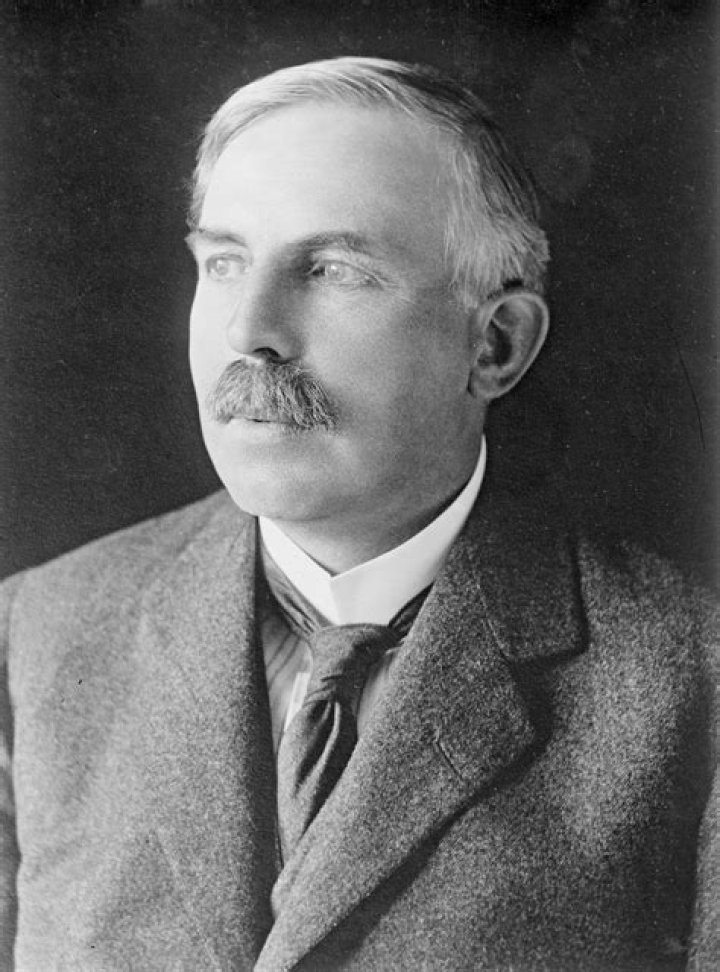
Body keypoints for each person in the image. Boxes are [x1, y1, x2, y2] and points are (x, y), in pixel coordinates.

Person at [0, 56, 716, 972]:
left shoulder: (688, 682)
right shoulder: (35, 638)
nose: (249, 330)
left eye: (334, 270)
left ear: (495, 346)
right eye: (225, 262)